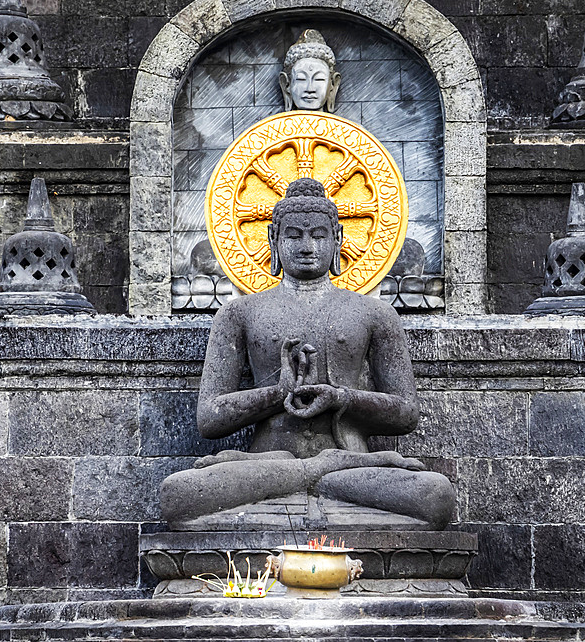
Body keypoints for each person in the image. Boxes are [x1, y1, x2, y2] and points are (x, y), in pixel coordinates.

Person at [159, 178, 454, 529]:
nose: (307, 246)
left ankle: (303, 480)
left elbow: (406, 414)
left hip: (349, 463)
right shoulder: (239, 313)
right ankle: (313, 475)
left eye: (318, 235)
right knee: (177, 494)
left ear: (338, 240)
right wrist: (276, 395)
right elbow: (209, 419)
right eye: (294, 235)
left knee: (435, 494)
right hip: (267, 462)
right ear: (273, 240)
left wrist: (339, 398)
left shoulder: (374, 314)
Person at [279, 29, 341, 112]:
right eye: (301, 79)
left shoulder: (340, 125)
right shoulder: (273, 125)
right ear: (286, 85)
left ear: (333, 84)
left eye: (319, 79)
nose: (310, 89)